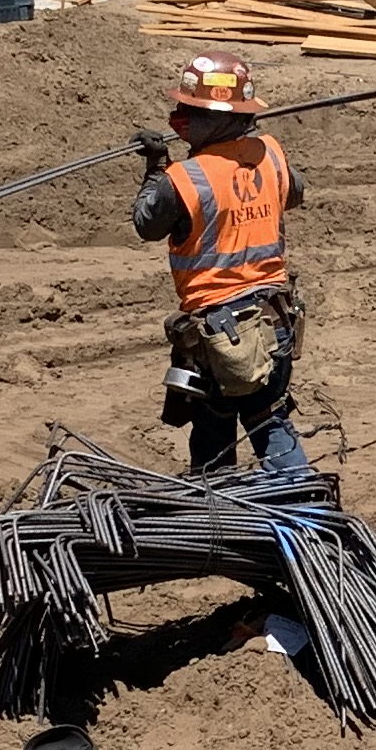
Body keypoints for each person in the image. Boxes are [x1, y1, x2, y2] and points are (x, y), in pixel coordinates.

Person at [131, 52, 308, 473]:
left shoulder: (185, 178)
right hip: (274, 323)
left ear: (214, 117)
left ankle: (245, 514)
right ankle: (308, 513)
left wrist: (156, 168)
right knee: (269, 417)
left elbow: (146, 224)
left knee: (217, 428)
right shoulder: (271, 152)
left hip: (222, 336)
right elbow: (296, 192)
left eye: (191, 110)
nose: (182, 118)